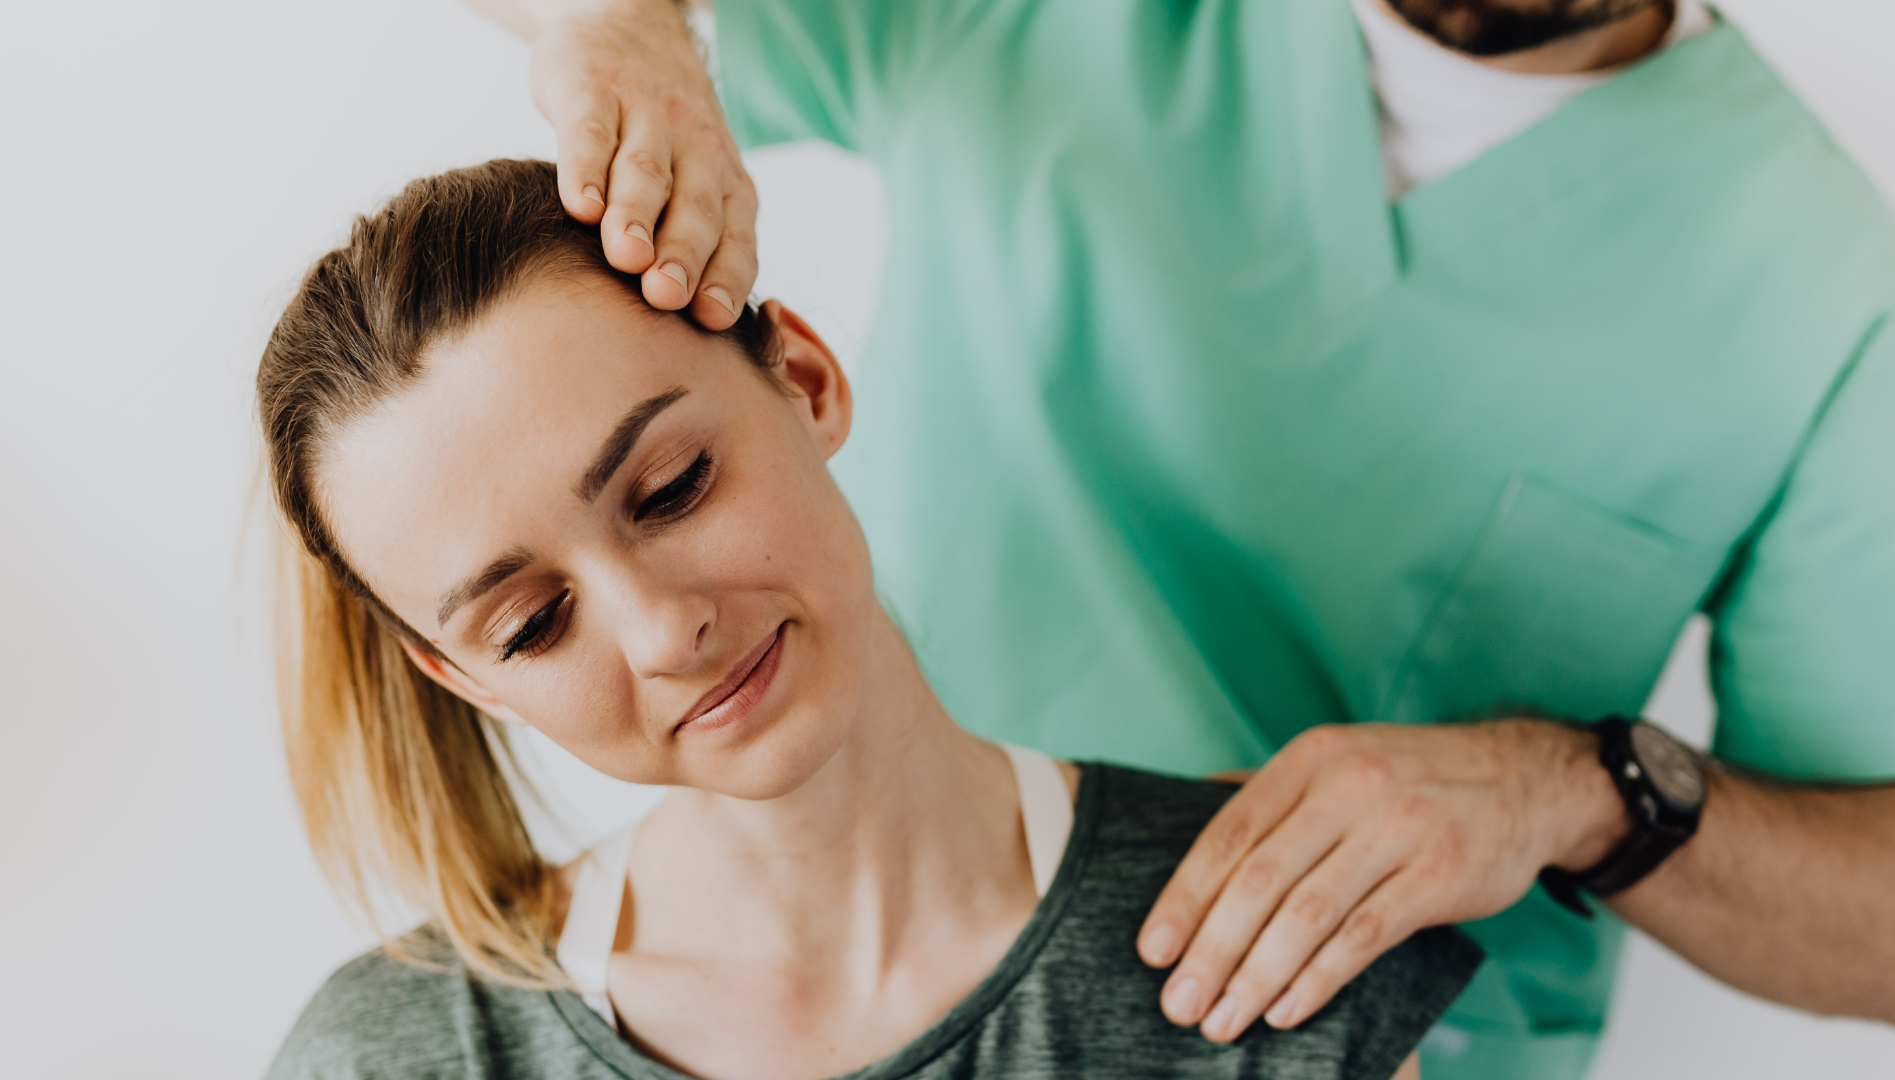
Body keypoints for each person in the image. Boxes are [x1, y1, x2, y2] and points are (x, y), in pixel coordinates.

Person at [459, 0, 1895, 1077]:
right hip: (840, 972)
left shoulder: (1826, 289)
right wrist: (617, 24)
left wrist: (1569, 790)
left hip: (1319, 1039)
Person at [259, 159, 1483, 1080]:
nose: (660, 629)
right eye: (531, 625)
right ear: (466, 680)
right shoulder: (397, 1053)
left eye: (672, 488)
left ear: (803, 379)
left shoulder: (1283, 933)